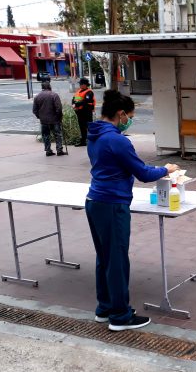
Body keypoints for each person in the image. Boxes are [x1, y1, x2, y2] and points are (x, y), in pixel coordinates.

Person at [85, 89, 179, 331]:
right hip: (113, 204)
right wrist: (166, 169)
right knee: (116, 260)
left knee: (104, 258)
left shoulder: (95, 134)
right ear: (121, 113)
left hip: (95, 201)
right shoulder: (116, 140)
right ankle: (120, 316)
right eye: (130, 116)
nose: (130, 120)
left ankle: (105, 308)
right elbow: (143, 173)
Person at [32, 81, 64, 156]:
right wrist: (59, 117)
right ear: (49, 86)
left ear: (42, 87)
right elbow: (59, 108)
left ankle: (48, 150)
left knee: (46, 135)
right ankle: (59, 150)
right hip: (55, 119)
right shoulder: (54, 95)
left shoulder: (37, 96)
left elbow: (34, 110)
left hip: (44, 120)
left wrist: (39, 117)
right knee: (57, 134)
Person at [72, 77, 95, 146]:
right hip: (79, 112)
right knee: (82, 127)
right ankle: (83, 141)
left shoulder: (89, 92)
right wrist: (74, 105)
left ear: (85, 85)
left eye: (81, 84)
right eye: (80, 84)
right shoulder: (78, 91)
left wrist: (76, 104)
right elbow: (74, 99)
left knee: (89, 126)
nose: (80, 85)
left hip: (87, 112)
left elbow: (86, 101)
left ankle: (92, 141)